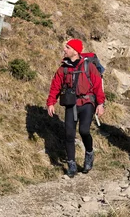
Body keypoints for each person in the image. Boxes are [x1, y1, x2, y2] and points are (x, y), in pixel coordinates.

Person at [47, 39, 105, 177]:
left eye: (67, 47)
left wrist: (100, 104)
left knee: (84, 130)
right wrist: (51, 102)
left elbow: (97, 85)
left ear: (75, 50)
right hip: (71, 104)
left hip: (87, 103)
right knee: (69, 134)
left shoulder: (88, 66)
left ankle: (89, 153)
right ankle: (71, 165)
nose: (64, 50)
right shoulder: (63, 68)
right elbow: (55, 85)